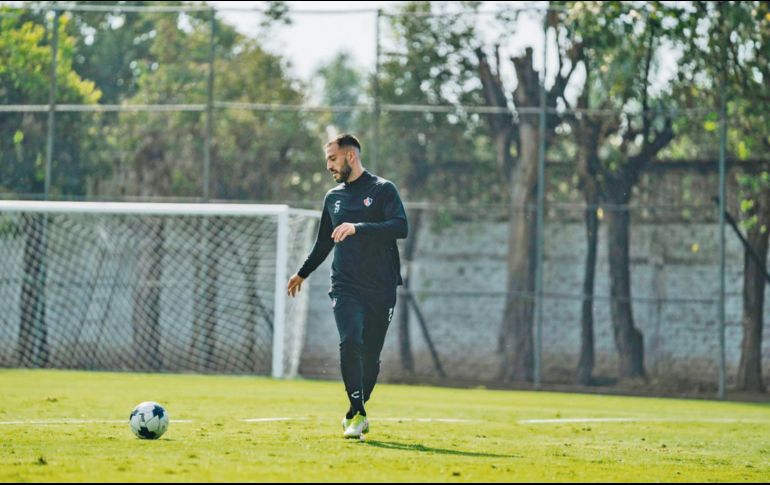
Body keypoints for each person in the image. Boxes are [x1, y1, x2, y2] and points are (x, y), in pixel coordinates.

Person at [287, 133, 408, 439]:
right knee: (350, 340)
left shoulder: (382, 190)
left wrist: (358, 228)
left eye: (332, 158)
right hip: (345, 285)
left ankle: (355, 410)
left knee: (370, 356)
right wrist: (302, 273)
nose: (328, 165)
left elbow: (400, 226)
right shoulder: (333, 198)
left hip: (381, 286)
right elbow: (323, 244)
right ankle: (359, 412)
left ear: (350, 156)